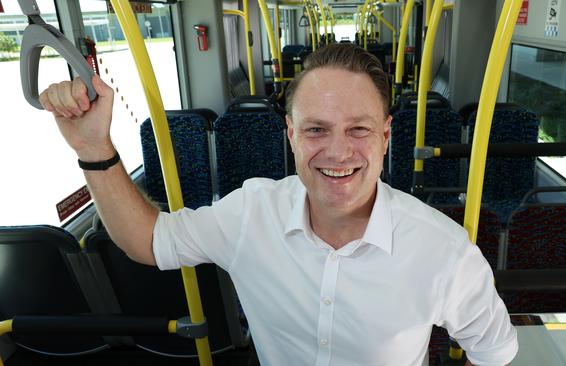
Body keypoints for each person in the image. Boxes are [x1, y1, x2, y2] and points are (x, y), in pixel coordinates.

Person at [40, 43, 517, 366]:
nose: (337, 152)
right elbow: (148, 241)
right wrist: (93, 150)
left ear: (386, 136)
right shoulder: (250, 213)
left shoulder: (443, 250)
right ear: (290, 134)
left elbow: (494, 352)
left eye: (359, 129)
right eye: (316, 129)